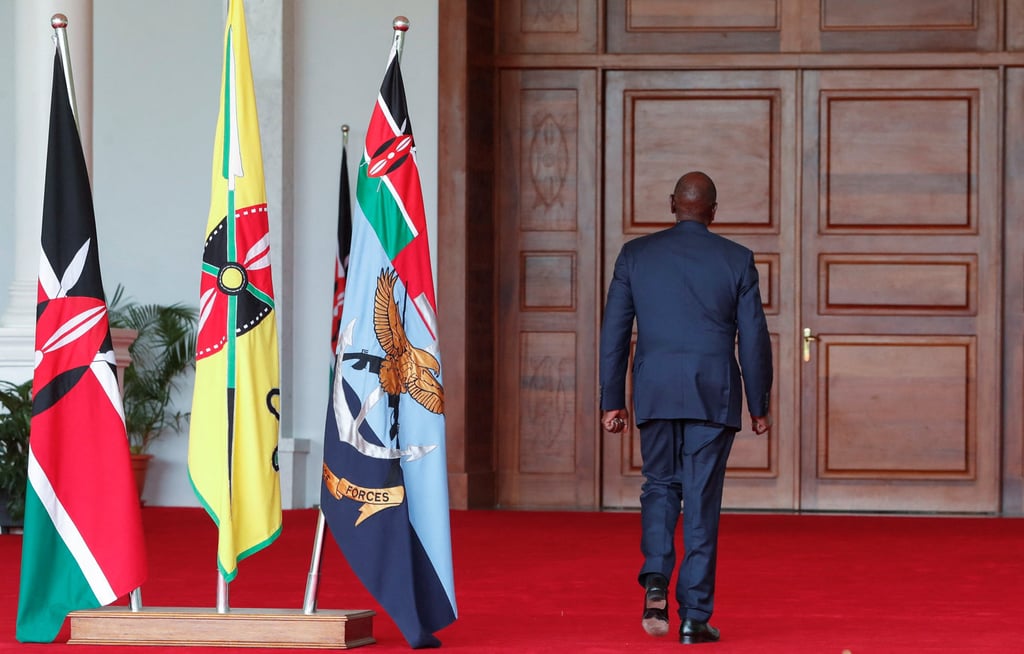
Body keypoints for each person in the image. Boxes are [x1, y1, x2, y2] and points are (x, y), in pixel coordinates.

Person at [599, 171, 773, 645]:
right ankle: (695, 617)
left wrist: (612, 400)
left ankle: (655, 576)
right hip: (712, 394)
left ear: (672, 204)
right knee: (700, 500)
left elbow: (614, 332)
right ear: (713, 212)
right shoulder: (737, 259)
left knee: (659, 484)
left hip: (655, 391)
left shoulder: (636, 255)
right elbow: (753, 338)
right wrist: (759, 403)